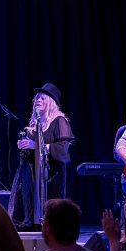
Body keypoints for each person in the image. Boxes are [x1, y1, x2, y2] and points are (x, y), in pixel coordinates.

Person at [8, 82, 74, 230]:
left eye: (42, 98)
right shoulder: (35, 125)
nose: (38, 100)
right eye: (37, 98)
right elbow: (31, 150)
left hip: (52, 174)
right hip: (33, 176)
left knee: (51, 211)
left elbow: (62, 149)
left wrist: (36, 146)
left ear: (50, 102)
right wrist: (24, 146)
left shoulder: (59, 121)